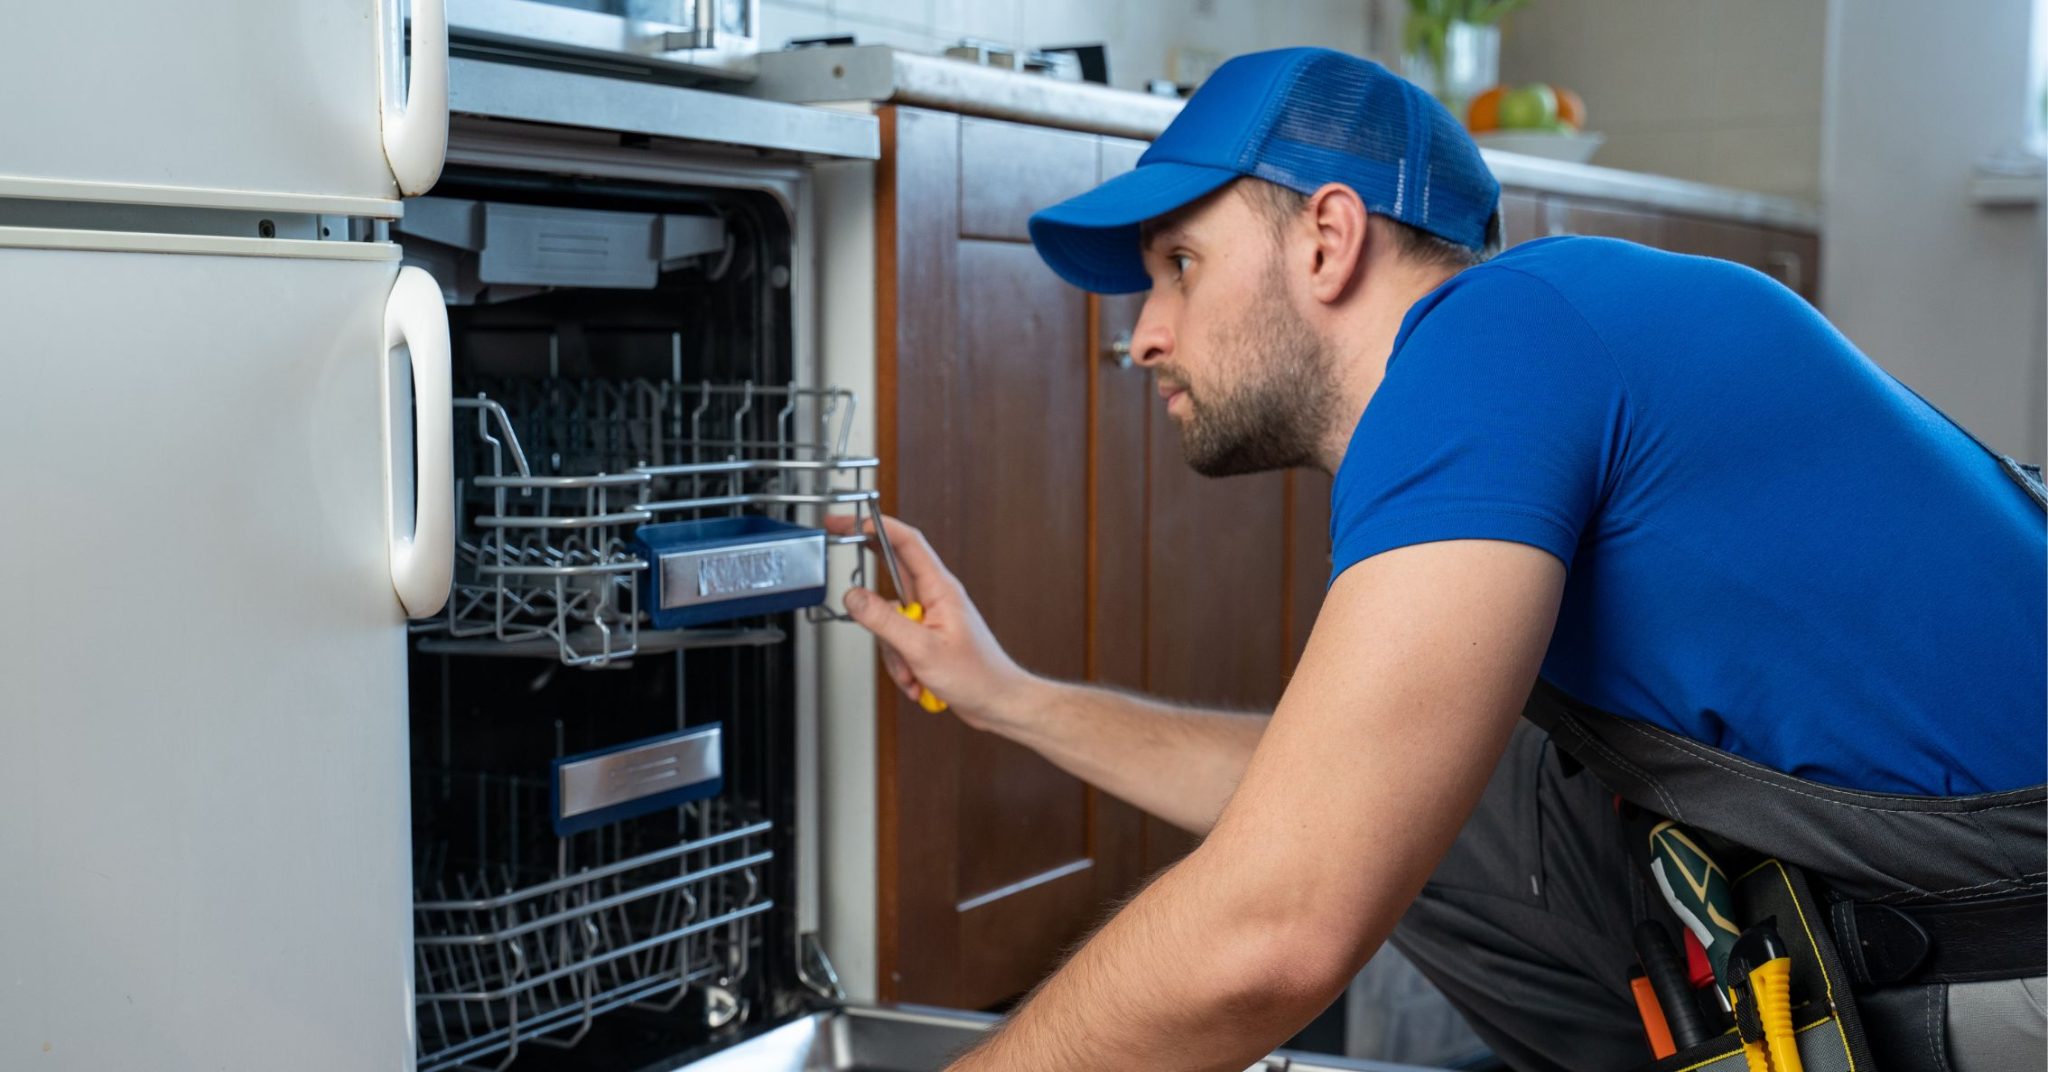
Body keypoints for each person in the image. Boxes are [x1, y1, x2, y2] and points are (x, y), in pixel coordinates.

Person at [825, 47, 2047, 1072]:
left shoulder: (1492, 341)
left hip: (2007, 956)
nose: (1142, 335)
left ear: (1326, 237)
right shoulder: (1541, 336)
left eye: (1178, 265)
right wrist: (1008, 697)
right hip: (1933, 879)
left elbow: (1279, 928)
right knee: (1467, 807)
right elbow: (1328, 800)